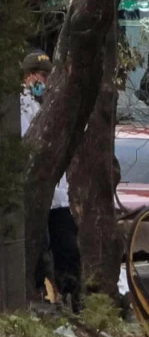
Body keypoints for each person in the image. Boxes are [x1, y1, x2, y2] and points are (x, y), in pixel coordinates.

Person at [20, 50, 83, 312]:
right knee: (39, 250)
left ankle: (71, 298)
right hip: (35, 194)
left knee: (67, 248)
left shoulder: (46, 105)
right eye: (41, 76)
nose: (44, 81)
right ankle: (42, 297)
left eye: (47, 76)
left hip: (58, 197)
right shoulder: (19, 107)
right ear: (28, 76)